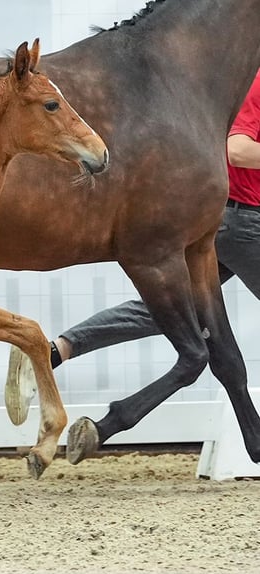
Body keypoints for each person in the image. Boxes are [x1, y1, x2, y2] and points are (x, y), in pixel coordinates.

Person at [50, 70, 260, 368]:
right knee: (177, 307)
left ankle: (60, 349)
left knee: (173, 308)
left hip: (232, 222)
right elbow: (237, 149)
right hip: (242, 225)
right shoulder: (257, 83)